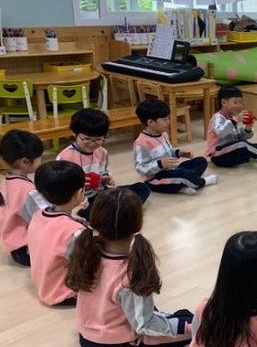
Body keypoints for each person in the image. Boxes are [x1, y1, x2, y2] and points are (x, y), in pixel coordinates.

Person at [66, 188, 193, 347]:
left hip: (86, 339)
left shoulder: (86, 251)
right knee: (191, 320)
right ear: (139, 223)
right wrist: (187, 328)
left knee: (176, 317)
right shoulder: (130, 274)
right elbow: (145, 325)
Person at [57, 108, 150, 218]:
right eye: (86, 139)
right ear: (74, 133)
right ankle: (119, 212)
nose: (92, 143)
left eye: (98, 139)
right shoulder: (65, 157)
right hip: (81, 200)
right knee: (87, 211)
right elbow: (60, 186)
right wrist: (80, 184)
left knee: (142, 188)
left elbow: (104, 172)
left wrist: (106, 178)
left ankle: (114, 212)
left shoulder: (102, 152)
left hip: (101, 193)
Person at [27, 161, 87, 306]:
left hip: (43, 283)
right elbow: (90, 264)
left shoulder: (37, 215)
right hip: (65, 294)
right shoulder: (75, 232)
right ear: (79, 193)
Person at [133, 99, 218, 195]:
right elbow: (141, 168)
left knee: (201, 161)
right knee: (183, 175)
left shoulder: (163, 134)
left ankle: (184, 183)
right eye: (164, 119)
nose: (168, 122)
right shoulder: (141, 143)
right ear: (151, 122)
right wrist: (160, 164)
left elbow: (168, 152)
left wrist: (178, 153)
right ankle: (202, 182)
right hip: (155, 179)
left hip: (172, 170)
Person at [206, 85, 257, 167]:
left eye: (240, 102)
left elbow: (238, 137)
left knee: (253, 146)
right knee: (243, 145)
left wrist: (247, 129)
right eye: (235, 102)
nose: (239, 105)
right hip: (217, 155)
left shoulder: (231, 118)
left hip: (229, 151)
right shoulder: (217, 117)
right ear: (223, 102)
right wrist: (235, 120)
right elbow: (220, 132)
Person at [0, 130, 47, 267]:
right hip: (27, 249)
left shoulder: (6, 182)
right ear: (25, 162)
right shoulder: (27, 190)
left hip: (15, 246)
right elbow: (43, 218)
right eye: (39, 157)